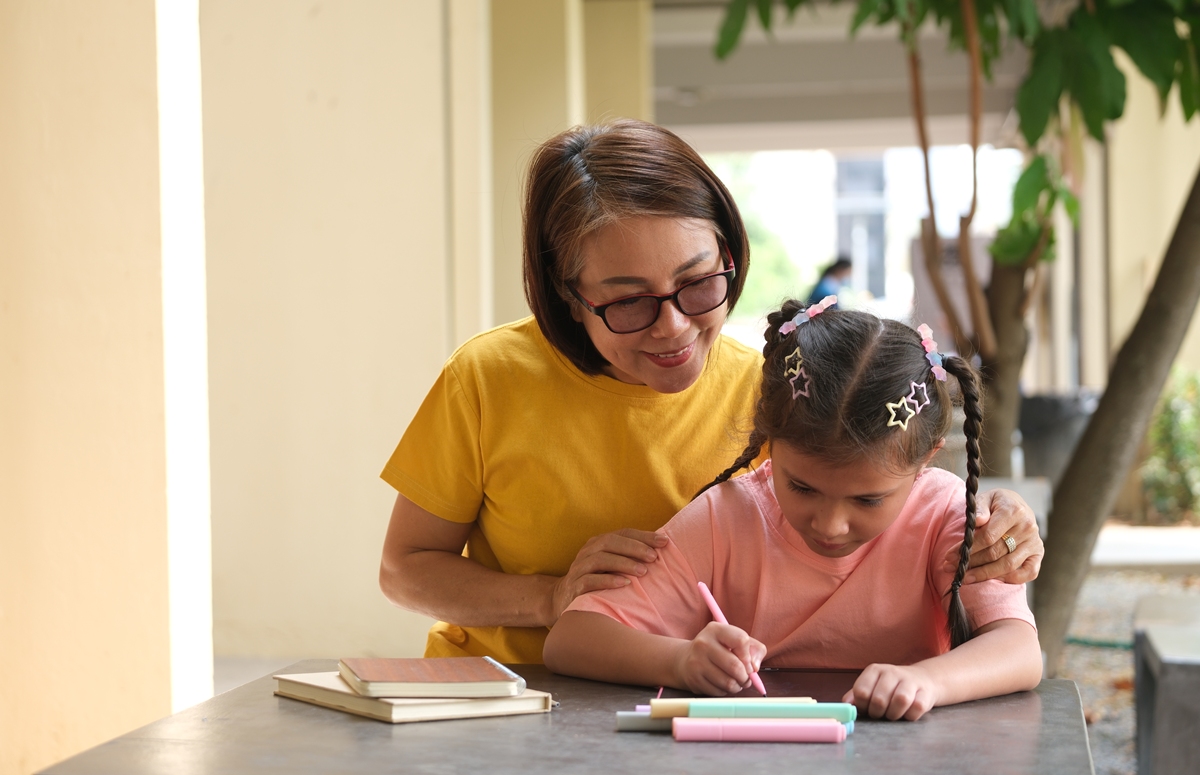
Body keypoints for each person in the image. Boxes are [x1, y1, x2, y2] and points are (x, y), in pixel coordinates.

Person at [378, 119, 1044, 665]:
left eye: (698, 284)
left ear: (730, 255)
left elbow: (866, 510)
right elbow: (405, 568)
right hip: (497, 694)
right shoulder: (490, 377)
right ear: (569, 294)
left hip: (679, 707)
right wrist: (549, 600)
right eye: (627, 302)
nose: (673, 328)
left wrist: (995, 536)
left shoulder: (776, 390)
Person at [542, 300, 1043, 720]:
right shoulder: (726, 519)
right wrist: (680, 661)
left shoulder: (945, 516)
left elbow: (1019, 652)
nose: (830, 525)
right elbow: (571, 639)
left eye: (867, 500)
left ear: (926, 460)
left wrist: (927, 681)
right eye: (801, 487)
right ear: (770, 444)